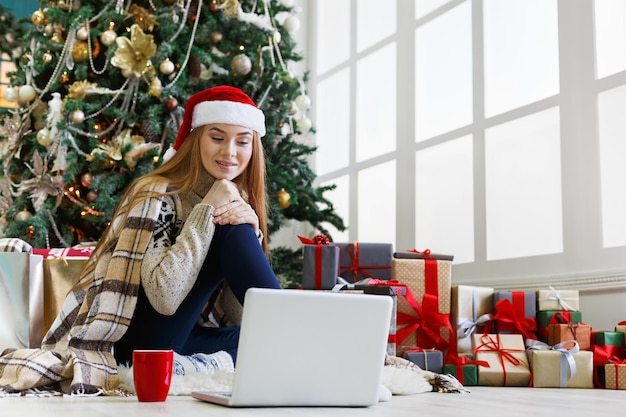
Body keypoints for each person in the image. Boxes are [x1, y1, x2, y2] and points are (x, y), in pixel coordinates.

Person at [0, 86, 281, 395]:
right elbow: (164, 296)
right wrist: (206, 213)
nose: (230, 152)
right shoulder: (156, 193)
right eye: (217, 138)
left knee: (259, 342)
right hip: (132, 342)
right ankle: (292, 340)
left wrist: (252, 234)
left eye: (242, 141)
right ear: (195, 140)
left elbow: (242, 313)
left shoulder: (235, 203)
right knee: (232, 235)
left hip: (182, 337)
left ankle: (199, 365)